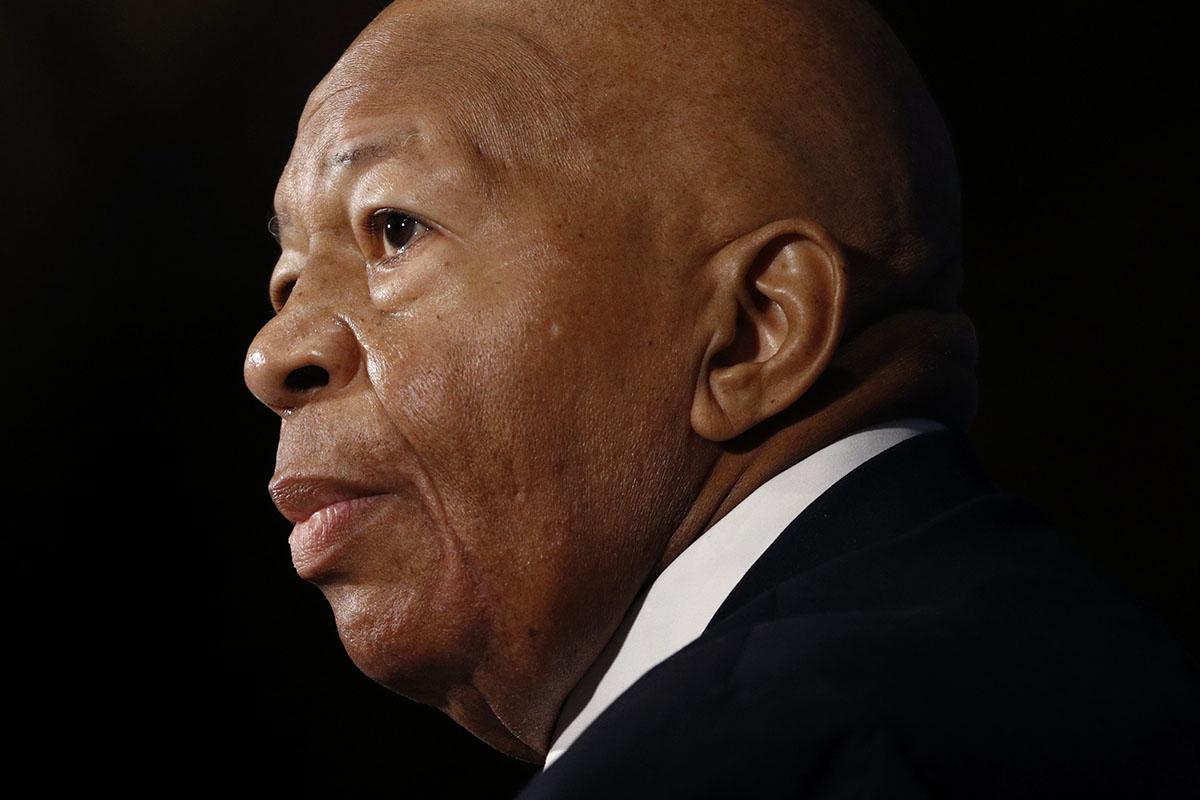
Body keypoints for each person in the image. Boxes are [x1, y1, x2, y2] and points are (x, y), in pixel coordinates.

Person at [242, 0, 1200, 796]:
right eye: (287, 278)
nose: (271, 353)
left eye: (394, 228)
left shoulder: (759, 758)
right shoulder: (1056, 671)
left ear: (754, 330)